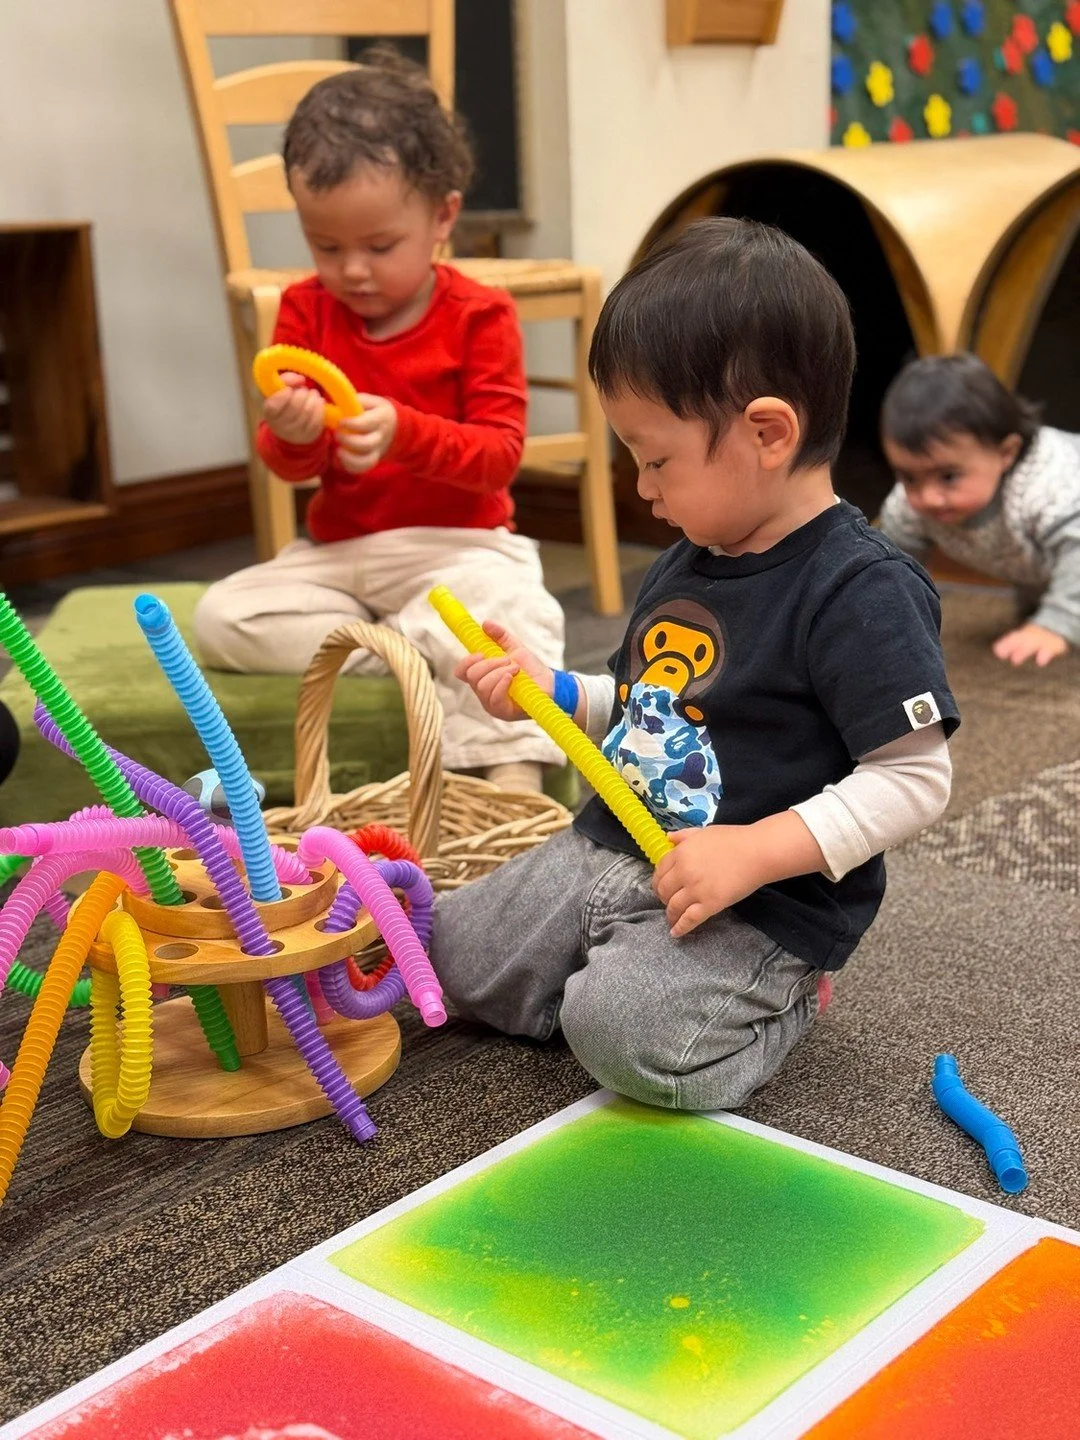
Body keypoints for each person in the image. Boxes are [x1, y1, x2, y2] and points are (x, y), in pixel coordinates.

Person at [429, 218, 959, 1113]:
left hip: (758, 900)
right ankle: (617, 961)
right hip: (615, 843)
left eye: (656, 459)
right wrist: (550, 694)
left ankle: (782, 998)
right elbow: (649, 709)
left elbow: (915, 781)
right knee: (448, 956)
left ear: (767, 433)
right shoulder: (695, 550)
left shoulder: (862, 591)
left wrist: (754, 851)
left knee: (628, 1040)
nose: (645, 489)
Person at [194, 50, 564, 792]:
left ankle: (512, 776)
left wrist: (406, 431)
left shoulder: (479, 314)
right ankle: (417, 645)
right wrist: (293, 437)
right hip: (342, 556)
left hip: (456, 548)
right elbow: (291, 462)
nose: (353, 270)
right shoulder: (304, 309)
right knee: (221, 617)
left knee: (511, 613)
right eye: (326, 246)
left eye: (379, 245)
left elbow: (499, 455)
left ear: (443, 218)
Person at [878, 352, 1080, 668]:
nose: (928, 496)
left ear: (1006, 453)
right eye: (908, 476)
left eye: (948, 477)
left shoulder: (1050, 487)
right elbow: (891, 568)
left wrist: (1056, 622)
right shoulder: (908, 505)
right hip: (1039, 571)